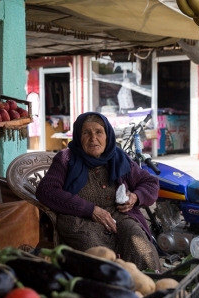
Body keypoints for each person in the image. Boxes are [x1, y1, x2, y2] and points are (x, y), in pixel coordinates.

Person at [36, 112, 162, 270]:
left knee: (141, 248)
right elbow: (46, 190)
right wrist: (89, 209)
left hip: (119, 216)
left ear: (107, 135)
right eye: (86, 132)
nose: (93, 138)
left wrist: (136, 197)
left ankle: (151, 286)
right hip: (79, 220)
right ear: (78, 136)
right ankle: (106, 290)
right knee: (99, 259)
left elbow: (150, 182)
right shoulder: (66, 159)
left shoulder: (118, 158)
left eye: (98, 132)